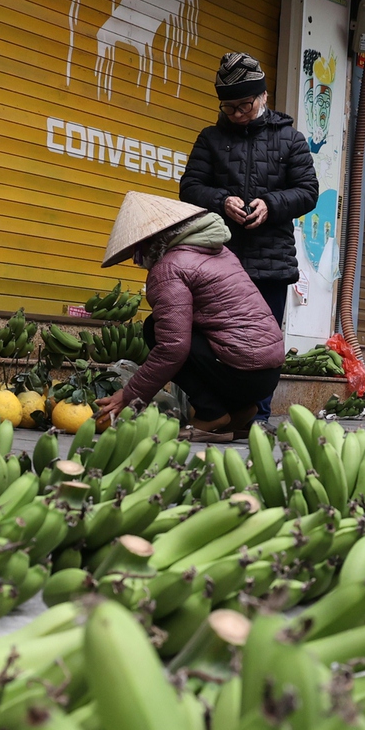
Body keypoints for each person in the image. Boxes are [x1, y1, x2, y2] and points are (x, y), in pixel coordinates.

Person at [179, 52, 318, 420]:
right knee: (207, 338)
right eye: (229, 107)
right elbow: (190, 186)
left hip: (270, 262)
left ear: (264, 97)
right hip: (216, 259)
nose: (238, 114)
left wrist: (271, 205)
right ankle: (213, 411)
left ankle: (257, 415)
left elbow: (308, 191)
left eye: (245, 105)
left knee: (264, 345)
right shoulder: (210, 138)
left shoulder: (291, 139)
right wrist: (222, 200)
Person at [94, 191, 283, 441]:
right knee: (190, 329)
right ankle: (240, 411)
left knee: (155, 329)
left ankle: (211, 413)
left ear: (151, 242)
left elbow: (173, 349)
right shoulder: (218, 251)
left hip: (242, 372)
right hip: (268, 374)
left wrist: (128, 395)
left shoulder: (169, 267)